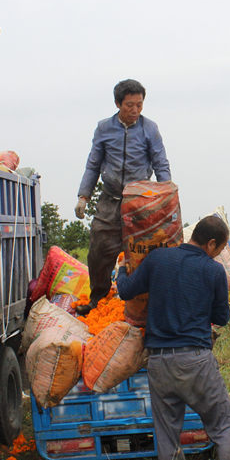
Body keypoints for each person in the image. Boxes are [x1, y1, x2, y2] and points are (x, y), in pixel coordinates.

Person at [115, 215, 230, 460]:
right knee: (224, 426)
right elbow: (221, 318)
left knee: (167, 433)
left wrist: (122, 270)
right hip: (196, 360)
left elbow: (125, 290)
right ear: (211, 244)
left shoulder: (158, 259)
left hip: (159, 362)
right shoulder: (213, 271)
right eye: (219, 248)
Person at [74, 79, 171, 314]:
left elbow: (160, 162)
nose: (135, 110)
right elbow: (93, 164)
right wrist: (83, 196)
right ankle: (98, 298)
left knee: (143, 250)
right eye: (130, 105)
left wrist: (166, 195)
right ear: (118, 103)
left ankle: (142, 301)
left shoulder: (150, 128)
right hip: (110, 198)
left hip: (140, 200)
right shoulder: (104, 128)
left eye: (139, 105)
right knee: (99, 249)